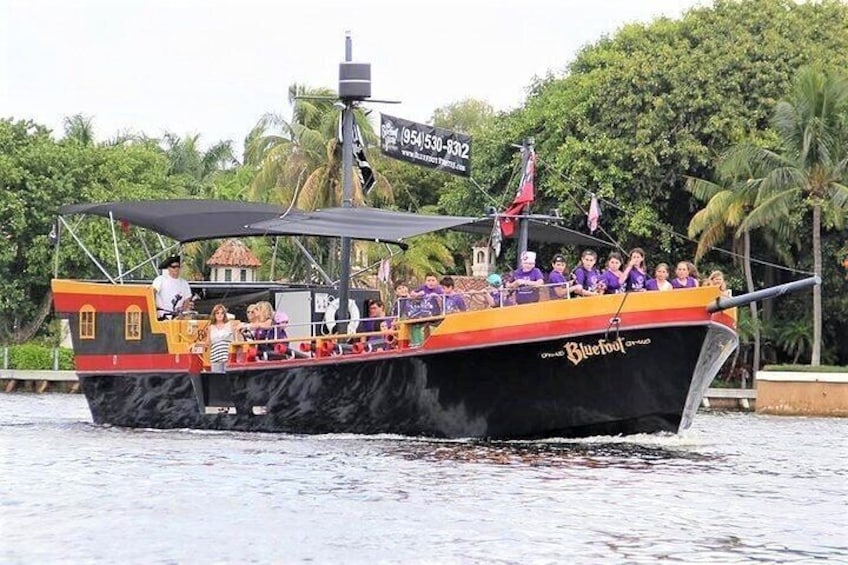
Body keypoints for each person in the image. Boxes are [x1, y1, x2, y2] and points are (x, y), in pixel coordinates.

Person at [152, 255, 193, 320]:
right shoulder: (160, 280)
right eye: (173, 267)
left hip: (177, 318)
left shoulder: (184, 283)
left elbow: (187, 300)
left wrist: (182, 313)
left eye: (178, 267)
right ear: (168, 268)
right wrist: (153, 310)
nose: (176, 269)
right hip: (162, 316)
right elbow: (152, 293)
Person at [206, 304, 237, 370]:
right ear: (214, 314)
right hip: (215, 357)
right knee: (217, 378)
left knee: (228, 378)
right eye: (217, 313)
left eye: (222, 313)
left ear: (224, 314)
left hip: (228, 357)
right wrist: (196, 345)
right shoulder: (211, 327)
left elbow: (235, 341)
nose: (220, 315)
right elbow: (207, 343)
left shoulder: (230, 325)